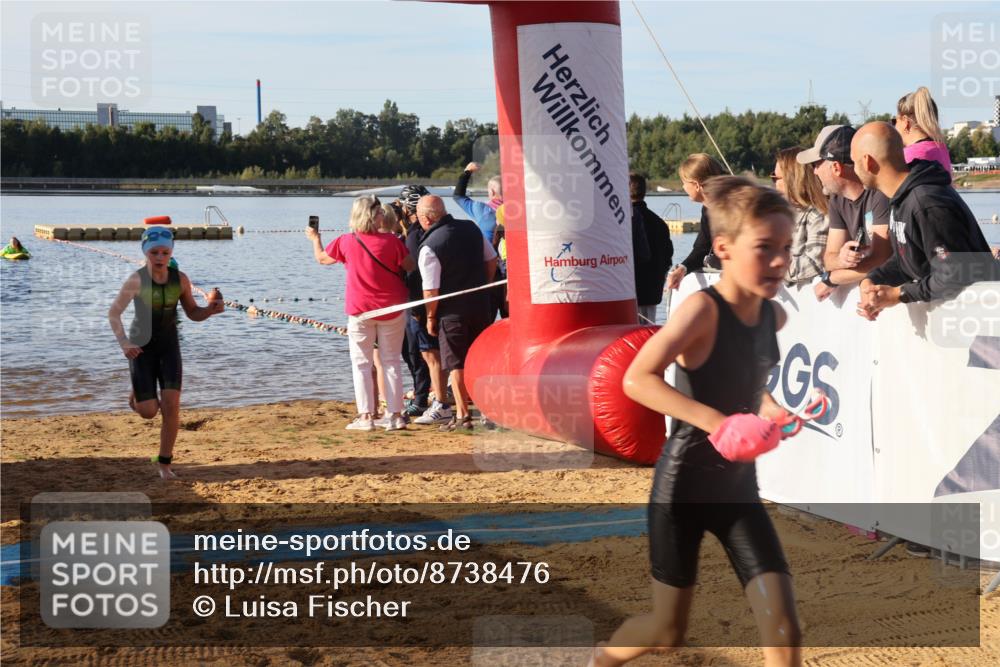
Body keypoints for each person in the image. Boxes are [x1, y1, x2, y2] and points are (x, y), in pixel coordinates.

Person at [594, 177, 801, 666]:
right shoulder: (700, 310)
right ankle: (599, 661)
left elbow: (751, 383)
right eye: (765, 248)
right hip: (682, 491)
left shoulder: (773, 318)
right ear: (723, 248)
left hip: (737, 492)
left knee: (783, 627)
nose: (779, 261)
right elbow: (637, 379)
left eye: (787, 248)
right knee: (668, 632)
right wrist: (718, 423)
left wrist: (769, 411)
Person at [108, 226, 224, 479]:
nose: (160, 257)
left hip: (170, 348)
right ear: (145, 252)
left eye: (165, 252)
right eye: (154, 252)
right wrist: (124, 342)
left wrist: (210, 310)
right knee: (149, 412)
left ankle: (165, 464)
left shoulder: (180, 280)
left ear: (171, 251)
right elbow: (114, 313)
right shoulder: (136, 280)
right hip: (141, 349)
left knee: (172, 407)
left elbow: (193, 313)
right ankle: (137, 396)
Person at [850, 122, 998, 319]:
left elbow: (955, 274)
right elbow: (908, 258)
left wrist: (899, 294)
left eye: (853, 162)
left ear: (868, 162)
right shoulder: (901, 197)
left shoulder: (926, 202)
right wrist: (873, 280)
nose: (853, 169)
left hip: (983, 323)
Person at [306, 195, 416, 432]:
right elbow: (410, 266)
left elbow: (322, 259)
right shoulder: (392, 242)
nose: (381, 216)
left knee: (362, 364)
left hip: (361, 310)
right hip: (392, 307)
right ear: (371, 216)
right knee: (391, 362)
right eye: (378, 212)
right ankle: (395, 416)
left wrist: (315, 239)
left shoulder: (346, 241)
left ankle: (366, 417)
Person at [415, 195, 498, 431]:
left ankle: (463, 416)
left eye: (421, 217)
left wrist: (430, 317)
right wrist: (483, 285)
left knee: (456, 363)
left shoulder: (430, 246)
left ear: (427, 218)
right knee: (480, 359)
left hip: (451, 313)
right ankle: (487, 413)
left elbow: (431, 289)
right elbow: (492, 259)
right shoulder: (471, 228)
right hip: (481, 306)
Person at [796, 125, 892, 301]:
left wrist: (831, 279)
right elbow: (828, 258)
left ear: (836, 167)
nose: (815, 171)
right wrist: (842, 259)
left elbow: (881, 260)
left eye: (816, 164)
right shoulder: (837, 200)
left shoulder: (880, 194)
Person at [397, 185, 452, 425]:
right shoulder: (434, 230)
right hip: (431, 299)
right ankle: (430, 396)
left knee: (419, 353)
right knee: (422, 353)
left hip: (419, 302)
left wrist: (420, 310)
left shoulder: (413, 235)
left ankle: (423, 400)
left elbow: (414, 274)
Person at [454, 161, 506, 321]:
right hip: (512, 272)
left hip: (489, 271)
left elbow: (458, 196)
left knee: (487, 319)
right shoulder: (519, 209)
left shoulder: (482, 210)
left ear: (491, 191)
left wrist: (466, 172)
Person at [665, 153, 726, 290]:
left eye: (684, 182)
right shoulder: (707, 209)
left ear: (697, 185)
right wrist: (682, 269)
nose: (683, 186)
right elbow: (702, 248)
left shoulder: (734, 207)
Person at [772, 147, 829, 285]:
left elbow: (815, 262)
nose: (774, 184)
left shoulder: (818, 215)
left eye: (776, 178)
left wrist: (770, 270)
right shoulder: (783, 215)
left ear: (793, 180)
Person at [630, 172, 673, 323]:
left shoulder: (626, 222)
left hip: (631, 293)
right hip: (652, 292)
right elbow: (668, 256)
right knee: (648, 333)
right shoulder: (659, 223)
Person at [894, 87, 952, 173]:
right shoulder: (942, 149)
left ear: (906, 122)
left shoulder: (907, 156)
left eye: (894, 121)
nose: (894, 126)